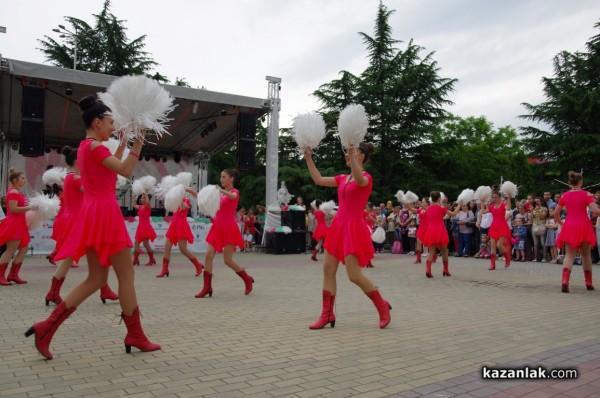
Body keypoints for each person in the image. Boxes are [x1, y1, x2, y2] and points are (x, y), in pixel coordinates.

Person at [25, 95, 160, 360]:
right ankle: (136, 335)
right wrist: (139, 140)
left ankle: (47, 327)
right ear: (97, 122)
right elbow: (125, 169)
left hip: (94, 213)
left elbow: (111, 167)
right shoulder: (95, 147)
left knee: (96, 279)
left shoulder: (87, 147)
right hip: (105, 214)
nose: (113, 127)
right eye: (110, 123)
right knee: (126, 277)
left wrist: (123, 142)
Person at [304, 143, 391, 329]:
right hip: (337, 228)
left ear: (360, 157)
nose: (347, 155)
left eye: (352, 153)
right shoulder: (343, 178)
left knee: (354, 275)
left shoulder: (366, 177)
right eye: (347, 152)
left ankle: (382, 305)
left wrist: (352, 154)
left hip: (353, 229)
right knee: (328, 270)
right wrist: (308, 157)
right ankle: (327, 314)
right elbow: (318, 179)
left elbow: (360, 180)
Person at [44, 146, 119, 306]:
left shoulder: (69, 178)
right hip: (79, 222)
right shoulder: (75, 178)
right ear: (78, 161)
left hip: (75, 220)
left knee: (95, 255)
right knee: (92, 255)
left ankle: (55, 292)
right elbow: (91, 193)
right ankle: (53, 292)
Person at [192, 169, 254, 298]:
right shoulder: (219, 194)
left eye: (224, 177)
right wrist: (188, 190)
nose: (221, 179)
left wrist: (220, 190)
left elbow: (233, 197)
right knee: (208, 255)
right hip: (217, 226)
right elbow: (202, 198)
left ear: (231, 179)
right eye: (221, 177)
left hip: (229, 226)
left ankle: (247, 279)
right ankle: (207, 287)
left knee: (227, 260)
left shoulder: (234, 191)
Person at [554, 171, 600, 293]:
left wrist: (561, 223)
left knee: (569, 255)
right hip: (584, 225)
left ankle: (565, 282)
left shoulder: (564, 196)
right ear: (581, 182)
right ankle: (588, 283)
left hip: (570, 225)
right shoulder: (587, 194)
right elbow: (595, 210)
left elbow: (556, 213)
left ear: (570, 182)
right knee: (586, 255)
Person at [156, 192, 204, 277]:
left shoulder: (186, 200)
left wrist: (177, 198)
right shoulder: (176, 200)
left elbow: (183, 207)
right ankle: (164, 269)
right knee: (167, 246)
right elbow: (170, 208)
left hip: (181, 225)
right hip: (174, 225)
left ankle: (198, 265)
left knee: (183, 249)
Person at [0, 167, 33, 285]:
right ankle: (1, 276)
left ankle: (13, 274)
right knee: (10, 250)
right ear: (15, 180)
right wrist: (30, 207)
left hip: (20, 223)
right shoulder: (13, 191)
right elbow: (13, 209)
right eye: (22, 178)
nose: (25, 180)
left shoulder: (17, 191)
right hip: (14, 223)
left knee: (23, 249)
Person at [421, 192, 460, 278]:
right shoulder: (442, 208)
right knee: (444, 251)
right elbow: (453, 214)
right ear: (439, 199)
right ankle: (445, 270)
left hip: (431, 230)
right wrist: (459, 205)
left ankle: (428, 270)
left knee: (431, 251)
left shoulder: (428, 208)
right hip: (440, 230)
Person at [481, 191, 513, 270]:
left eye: (496, 197)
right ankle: (492, 264)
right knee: (493, 245)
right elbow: (483, 212)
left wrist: (509, 198)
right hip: (494, 226)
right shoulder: (491, 206)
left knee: (499, 245)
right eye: (493, 197)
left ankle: (507, 257)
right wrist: (482, 202)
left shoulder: (503, 205)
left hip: (502, 226)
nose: (494, 199)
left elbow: (508, 208)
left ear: (499, 197)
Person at [133, 193, 157, 266]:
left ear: (146, 199)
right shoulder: (141, 207)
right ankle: (135, 260)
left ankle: (152, 259)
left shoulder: (148, 207)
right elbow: (134, 205)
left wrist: (146, 194)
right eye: (141, 198)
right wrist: (134, 198)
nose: (141, 199)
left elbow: (148, 202)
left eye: (142, 198)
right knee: (136, 243)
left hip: (146, 226)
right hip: (140, 227)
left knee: (145, 244)